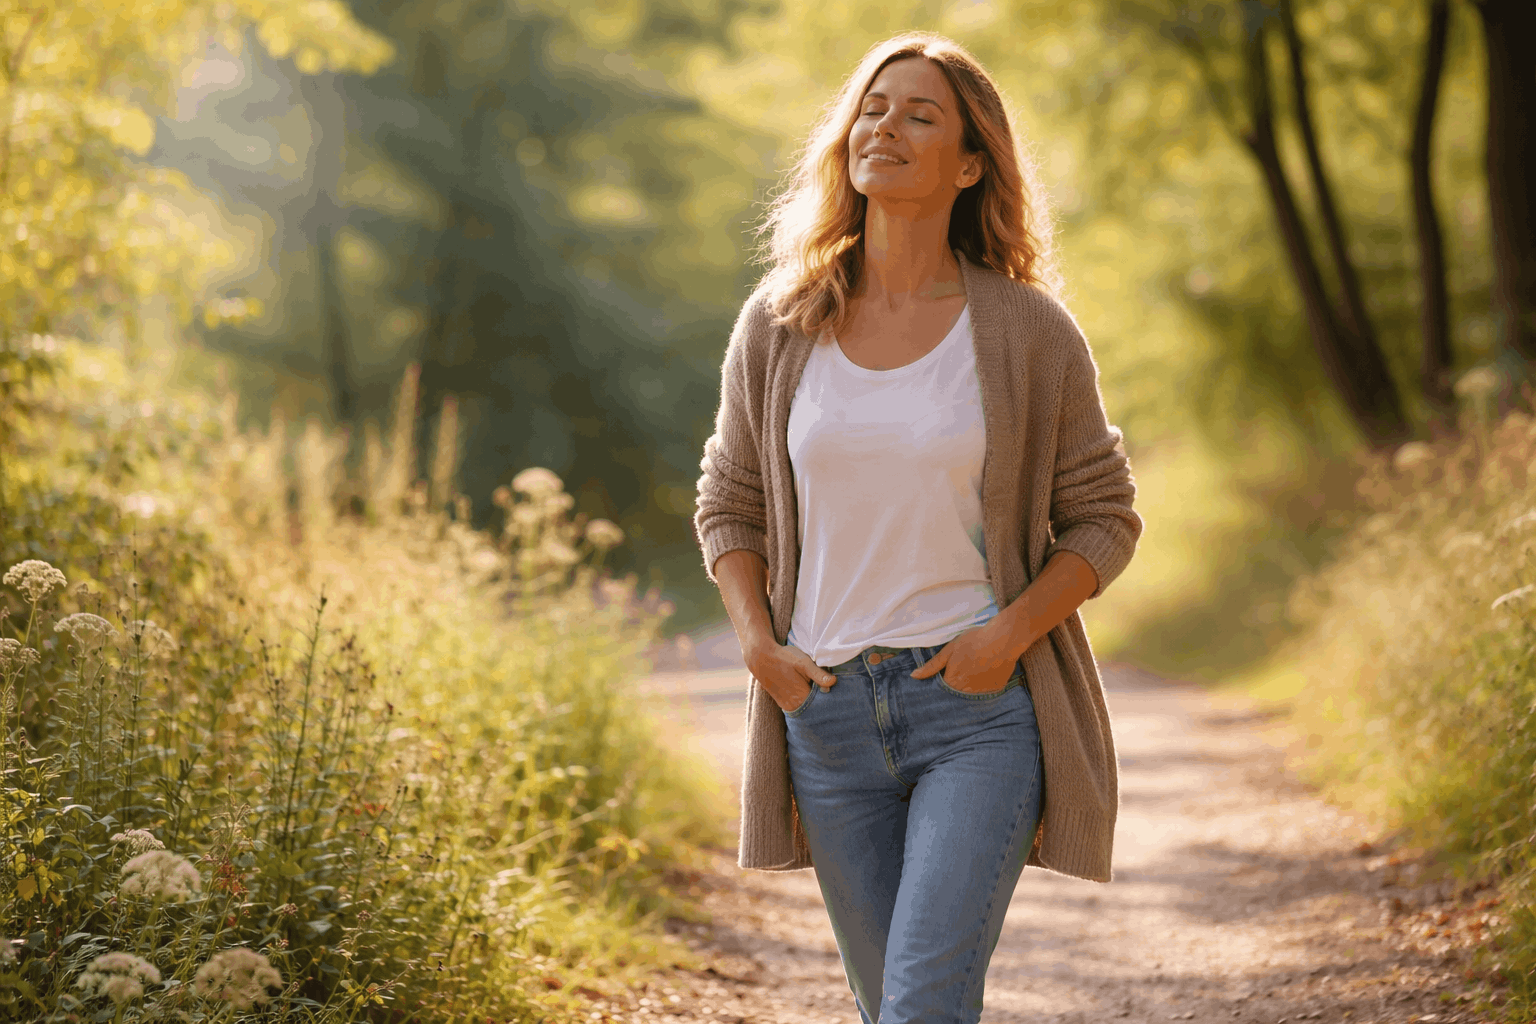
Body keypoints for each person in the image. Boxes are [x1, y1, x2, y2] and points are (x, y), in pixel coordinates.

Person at [692, 31, 1143, 1024]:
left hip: (975, 713)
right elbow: (730, 501)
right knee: (885, 1001)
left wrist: (1008, 637)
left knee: (923, 1003)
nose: (885, 126)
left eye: (921, 114)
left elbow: (1104, 518)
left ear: (970, 162)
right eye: (874, 106)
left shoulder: (1028, 330)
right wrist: (758, 644)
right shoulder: (780, 322)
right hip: (828, 717)